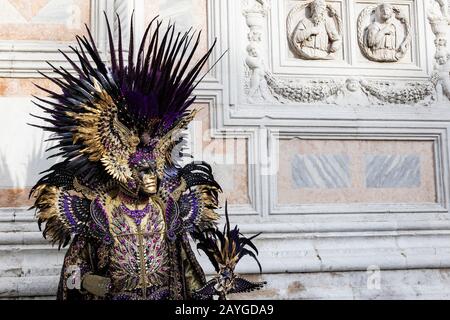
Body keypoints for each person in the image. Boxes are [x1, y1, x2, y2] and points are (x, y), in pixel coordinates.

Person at [30, 15, 263, 300]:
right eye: (142, 169)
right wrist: (87, 282)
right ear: (119, 165)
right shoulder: (97, 209)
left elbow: (186, 268)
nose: (151, 176)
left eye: (154, 168)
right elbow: (71, 270)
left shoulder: (168, 207)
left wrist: (212, 289)